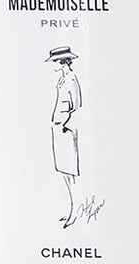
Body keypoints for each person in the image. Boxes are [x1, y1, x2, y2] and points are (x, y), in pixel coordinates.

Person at [48, 47, 81, 229]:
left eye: (54, 61)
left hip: (65, 129)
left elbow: (76, 105)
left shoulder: (71, 79)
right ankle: (71, 209)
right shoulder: (63, 79)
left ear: (62, 62)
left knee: (70, 171)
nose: (53, 64)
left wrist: (65, 125)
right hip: (58, 128)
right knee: (63, 170)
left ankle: (74, 211)